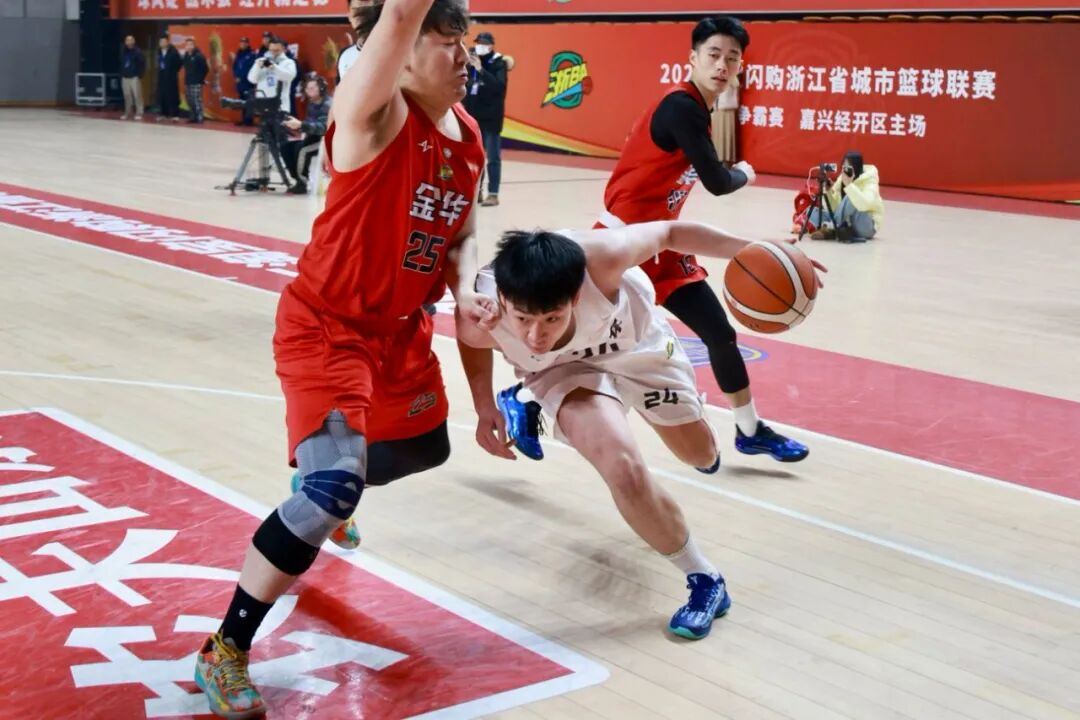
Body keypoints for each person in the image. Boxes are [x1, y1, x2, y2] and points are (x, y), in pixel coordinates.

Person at [192, 2, 493, 717]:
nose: (465, 58)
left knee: (425, 449)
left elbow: (460, 235)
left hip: (400, 333)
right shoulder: (374, 113)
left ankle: (325, 485)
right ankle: (225, 648)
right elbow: (398, 16)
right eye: (448, 43)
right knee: (334, 488)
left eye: (467, 43)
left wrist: (470, 288)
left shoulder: (470, 134)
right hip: (328, 326)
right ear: (403, 50)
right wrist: (399, 18)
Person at [458, 224, 826, 639]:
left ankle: (651, 409)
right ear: (503, 300)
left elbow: (670, 232)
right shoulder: (483, 313)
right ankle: (704, 578)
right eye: (523, 319)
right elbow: (471, 340)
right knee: (624, 471)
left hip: (638, 349)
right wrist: (483, 406)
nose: (535, 335)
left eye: (552, 319)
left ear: (575, 298)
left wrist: (757, 247)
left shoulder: (604, 257)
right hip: (564, 370)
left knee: (700, 455)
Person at [499, 15, 810, 466]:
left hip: (663, 246)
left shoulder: (697, 109)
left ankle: (749, 430)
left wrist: (768, 252)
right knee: (591, 341)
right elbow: (718, 181)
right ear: (692, 59)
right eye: (713, 55)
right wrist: (746, 172)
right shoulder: (681, 107)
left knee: (719, 333)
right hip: (621, 246)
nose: (722, 65)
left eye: (732, 58)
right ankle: (523, 397)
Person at [463, 31, 508, 207]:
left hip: (491, 118)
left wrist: (481, 69)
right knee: (476, 157)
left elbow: (498, 87)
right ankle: (478, 191)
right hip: (474, 117)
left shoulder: (498, 63)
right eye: (478, 43)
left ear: (490, 46)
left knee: (493, 157)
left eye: (483, 43)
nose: (480, 46)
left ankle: (493, 194)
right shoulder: (471, 61)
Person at [810, 151, 883, 242]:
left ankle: (831, 228)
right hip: (848, 222)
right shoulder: (842, 178)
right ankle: (832, 228)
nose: (845, 170)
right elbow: (836, 208)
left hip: (867, 227)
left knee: (851, 197)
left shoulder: (870, 181)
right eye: (844, 167)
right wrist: (829, 192)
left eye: (848, 168)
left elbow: (865, 204)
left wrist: (849, 185)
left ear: (856, 167)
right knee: (812, 211)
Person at [281, 74, 331, 195]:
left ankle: (302, 182)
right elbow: (309, 124)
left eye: (312, 88)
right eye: (307, 88)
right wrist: (296, 126)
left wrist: (301, 125)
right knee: (285, 147)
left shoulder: (327, 105)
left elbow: (323, 128)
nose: (309, 91)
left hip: (325, 140)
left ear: (321, 89)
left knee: (302, 150)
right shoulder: (312, 104)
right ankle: (297, 178)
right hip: (313, 137)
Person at [247, 35, 297, 114]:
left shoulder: (289, 62)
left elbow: (288, 76)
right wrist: (257, 68)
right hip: (263, 105)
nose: (273, 53)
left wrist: (273, 67)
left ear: (283, 49)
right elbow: (252, 79)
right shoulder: (261, 60)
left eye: (277, 50)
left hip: (281, 106)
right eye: (271, 50)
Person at [155, 33, 182, 122]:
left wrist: (173, 72)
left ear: (167, 42)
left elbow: (179, 63)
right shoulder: (159, 51)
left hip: (171, 77)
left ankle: (175, 114)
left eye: (164, 41)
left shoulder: (173, 51)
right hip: (162, 76)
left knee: (173, 96)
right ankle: (164, 114)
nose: (162, 43)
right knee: (162, 95)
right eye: (160, 42)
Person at [182, 37, 209, 123]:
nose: (188, 46)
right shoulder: (186, 56)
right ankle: (192, 116)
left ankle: (199, 117)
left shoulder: (199, 56)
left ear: (194, 45)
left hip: (196, 82)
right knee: (189, 100)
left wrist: (200, 79)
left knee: (197, 100)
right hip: (188, 81)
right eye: (187, 45)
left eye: (190, 44)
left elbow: (205, 69)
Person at [231, 36, 257, 126]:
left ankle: (249, 120)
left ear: (248, 44)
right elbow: (235, 67)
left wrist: (242, 77)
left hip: (248, 82)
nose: (243, 44)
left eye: (245, 43)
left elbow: (250, 69)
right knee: (242, 101)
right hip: (240, 83)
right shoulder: (239, 54)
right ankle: (244, 119)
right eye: (241, 43)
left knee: (249, 101)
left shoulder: (252, 54)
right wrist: (236, 76)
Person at [120, 35, 146, 120]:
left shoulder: (137, 51)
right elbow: (122, 63)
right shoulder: (123, 51)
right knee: (127, 96)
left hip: (134, 76)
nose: (129, 42)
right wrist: (122, 73)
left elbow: (142, 63)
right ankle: (127, 112)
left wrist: (140, 74)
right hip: (125, 76)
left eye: (130, 40)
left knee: (137, 95)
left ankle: (139, 112)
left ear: (133, 41)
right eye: (127, 40)